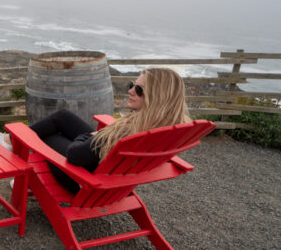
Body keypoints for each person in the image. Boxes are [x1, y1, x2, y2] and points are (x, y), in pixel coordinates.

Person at [28, 68, 191, 193]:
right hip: (115, 181)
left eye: (139, 90)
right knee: (63, 117)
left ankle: (20, 161)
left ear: (157, 98)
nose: (130, 91)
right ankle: (9, 141)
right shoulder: (162, 130)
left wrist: (92, 135)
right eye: (132, 85)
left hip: (85, 182)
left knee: (47, 137)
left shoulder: (126, 133)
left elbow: (74, 155)